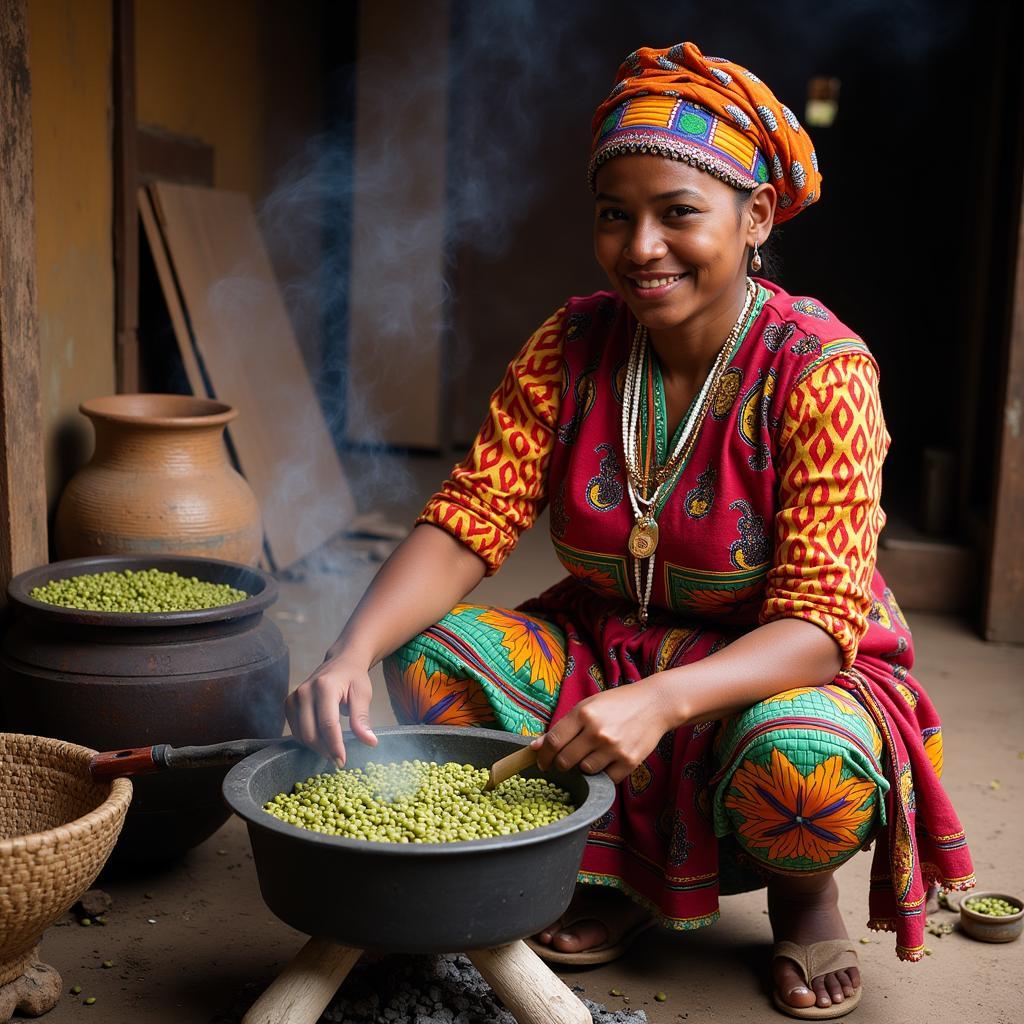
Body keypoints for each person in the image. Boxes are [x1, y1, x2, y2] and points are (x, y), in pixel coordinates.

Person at [286, 41, 974, 1020]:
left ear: (757, 218)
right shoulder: (571, 344)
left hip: (780, 660)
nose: (640, 246)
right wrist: (349, 651)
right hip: (608, 637)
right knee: (426, 663)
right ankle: (617, 878)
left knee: (806, 771)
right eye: (615, 215)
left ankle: (798, 893)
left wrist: (659, 700)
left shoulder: (820, 369)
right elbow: (472, 516)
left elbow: (822, 623)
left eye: (677, 213)